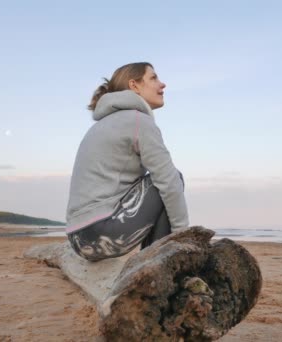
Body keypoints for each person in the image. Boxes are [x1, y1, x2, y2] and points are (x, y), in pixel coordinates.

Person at [65, 62, 189, 261]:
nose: (162, 84)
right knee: (172, 178)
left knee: (163, 181)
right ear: (134, 85)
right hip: (103, 233)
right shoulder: (138, 120)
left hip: (78, 239)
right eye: (154, 78)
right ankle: (159, 261)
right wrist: (183, 236)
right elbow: (169, 183)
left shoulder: (103, 124)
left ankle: (151, 257)